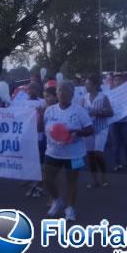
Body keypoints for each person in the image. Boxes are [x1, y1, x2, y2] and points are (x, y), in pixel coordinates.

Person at [43, 80, 94, 221]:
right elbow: (43, 128)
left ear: (72, 94)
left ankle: (70, 208)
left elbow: (90, 130)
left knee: (71, 181)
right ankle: (56, 200)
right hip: (53, 152)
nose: (61, 93)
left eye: (65, 91)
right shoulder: (50, 110)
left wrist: (77, 133)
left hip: (74, 153)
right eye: (59, 90)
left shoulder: (79, 111)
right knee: (47, 179)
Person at [81, 74, 113, 188]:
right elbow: (80, 113)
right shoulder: (84, 98)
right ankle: (94, 180)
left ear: (95, 85)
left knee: (98, 153)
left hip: (101, 128)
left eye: (88, 84)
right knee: (90, 155)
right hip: (89, 130)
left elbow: (110, 113)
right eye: (85, 84)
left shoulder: (103, 97)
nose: (86, 86)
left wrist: (98, 113)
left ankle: (103, 177)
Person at [110, 73, 127, 172]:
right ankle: (117, 163)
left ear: (123, 82)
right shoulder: (110, 94)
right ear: (113, 82)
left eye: (119, 80)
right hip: (114, 122)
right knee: (115, 144)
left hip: (126, 121)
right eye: (115, 80)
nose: (117, 82)